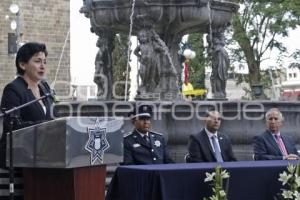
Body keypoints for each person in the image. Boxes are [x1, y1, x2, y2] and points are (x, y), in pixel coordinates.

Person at [0, 42, 55, 168]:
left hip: (44, 155)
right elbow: (13, 126)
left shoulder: (45, 90)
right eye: (37, 61)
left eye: (44, 62)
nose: (42, 66)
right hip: (19, 159)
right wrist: (46, 126)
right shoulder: (13, 89)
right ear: (22, 64)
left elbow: (53, 118)